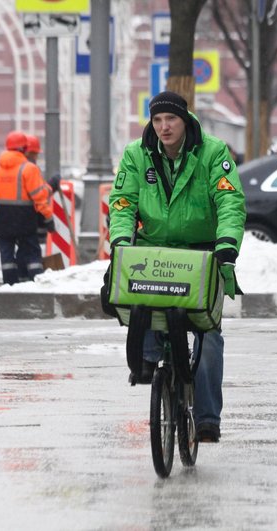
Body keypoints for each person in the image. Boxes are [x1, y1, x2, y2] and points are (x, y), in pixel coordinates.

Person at [108, 90, 246, 443]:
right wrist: (121, 242)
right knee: (142, 308)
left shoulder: (213, 152)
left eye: (171, 119)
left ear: (185, 120)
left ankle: (206, 418)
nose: (164, 127)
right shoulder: (136, 155)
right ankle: (151, 363)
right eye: (157, 120)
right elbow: (122, 202)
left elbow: (229, 200)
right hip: (155, 252)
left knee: (208, 335)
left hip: (203, 255)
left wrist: (227, 244)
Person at [0, 130, 54, 285]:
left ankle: (10, 285)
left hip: (3, 221)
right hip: (24, 221)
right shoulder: (29, 169)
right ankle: (35, 283)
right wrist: (48, 218)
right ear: (24, 149)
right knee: (32, 253)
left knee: (7, 257)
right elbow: (39, 197)